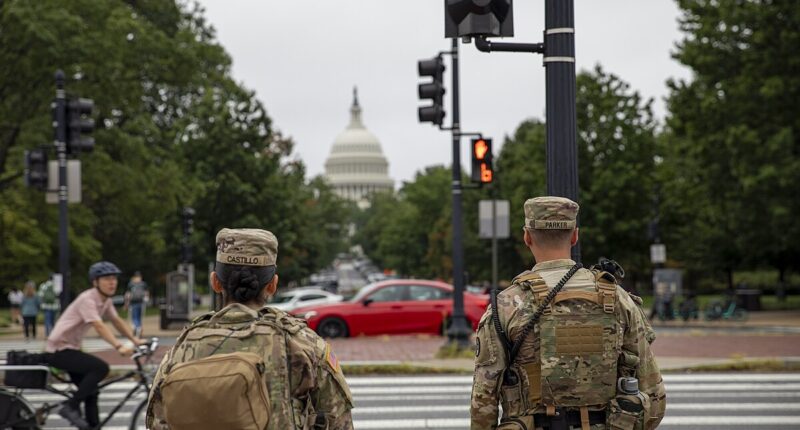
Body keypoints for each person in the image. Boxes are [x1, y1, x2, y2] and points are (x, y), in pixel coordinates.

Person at [471, 197, 666, 430]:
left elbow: (484, 400)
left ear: (527, 237)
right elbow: (653, 397)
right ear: (575, 236)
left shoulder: (507, 305)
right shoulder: (618, 299)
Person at [147, 228, 354, 429]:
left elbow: (156, 420)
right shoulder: (303, 344)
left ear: (215, 282)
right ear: (272, 285)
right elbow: (338, 420)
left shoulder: (181, 349)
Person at [41, 261, 145, 429]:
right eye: (106, 279)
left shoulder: (105, 301)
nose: (112, 282)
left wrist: (135, 340)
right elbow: (98, 325)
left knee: (91, 392)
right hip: (58, 350)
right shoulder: (87, 299)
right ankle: (70, 407)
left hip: (70, 349)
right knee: (100, 368)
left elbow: (116, 321)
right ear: (95, 282)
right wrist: (118, 346)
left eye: (114, 278)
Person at [124, 271, 148, 337]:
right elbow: (146, 293)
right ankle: (139, 329)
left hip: (134, 303)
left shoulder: (131, 284)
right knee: (139, 317)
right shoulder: (143, 284)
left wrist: (126, 303)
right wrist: (146, 300)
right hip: (140, 303)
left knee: (134, 317)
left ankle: (136, 328)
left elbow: (128, 295)